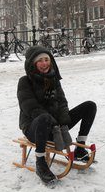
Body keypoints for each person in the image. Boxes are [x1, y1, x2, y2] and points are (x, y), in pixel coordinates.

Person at [17, 46, 97, 184]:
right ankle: (40, 162)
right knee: (43, 117)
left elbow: (62, 103)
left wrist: (63, 122)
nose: (44, 63)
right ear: (33, 64)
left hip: (56, 127)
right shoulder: (25, 81)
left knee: (90, 106)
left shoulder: (53, 80)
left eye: (47, 59)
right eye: (40, 60)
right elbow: (30, 107)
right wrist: (54, 123)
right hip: (34, 128)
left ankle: (80, 147)